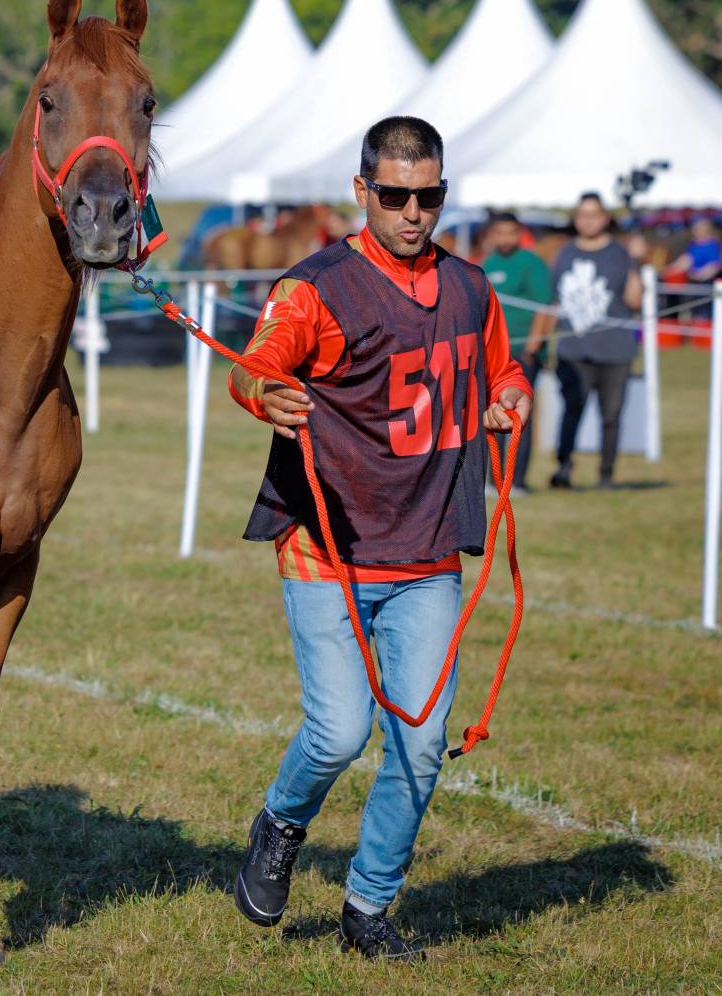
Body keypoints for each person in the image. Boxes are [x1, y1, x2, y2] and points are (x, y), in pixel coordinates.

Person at [227, 116, 532, 963]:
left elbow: (499, 368)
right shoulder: (316, 287)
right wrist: (265, 396)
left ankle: (367, 907)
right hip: (326, 550)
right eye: (393, 195)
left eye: (427, 196)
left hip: (426, 550)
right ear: (361, 192)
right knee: (337, 733)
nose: (411, 212)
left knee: (421, 745)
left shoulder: (472, 288)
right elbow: (257, 363)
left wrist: (509, 395)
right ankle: (281, 824)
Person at [537, 192, 643, 491]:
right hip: (574, 350)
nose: (588, 221)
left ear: (605, 218)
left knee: (611, 415)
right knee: (571, 411)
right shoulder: (565, 253)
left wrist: (638, 263)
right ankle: (564, 468)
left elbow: (634, 300)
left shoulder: (621, 254)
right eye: (582, 215)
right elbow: (552, 302)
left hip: (614, 350)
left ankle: (606, 475)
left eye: (593, 215)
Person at [480, 210, 551, 492]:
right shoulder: (487, 264)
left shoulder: (531, 263)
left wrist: (534, 345)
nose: (505, 238)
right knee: (493, 413)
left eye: (511, 232)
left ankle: (517, 481)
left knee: (519, 415)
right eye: (500, 232)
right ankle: (492, 479)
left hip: (522, 353)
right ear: (491, 235)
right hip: (493, 353)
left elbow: (544, 305)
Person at [667, 216, 721, 283]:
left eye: (699, 229)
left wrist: (700, 275)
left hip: (706, 281)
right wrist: (671, 269)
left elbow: (714, 265)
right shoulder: (694, 245)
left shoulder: (713, 245)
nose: (695, 231)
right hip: (692, 279)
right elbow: (687, 259)